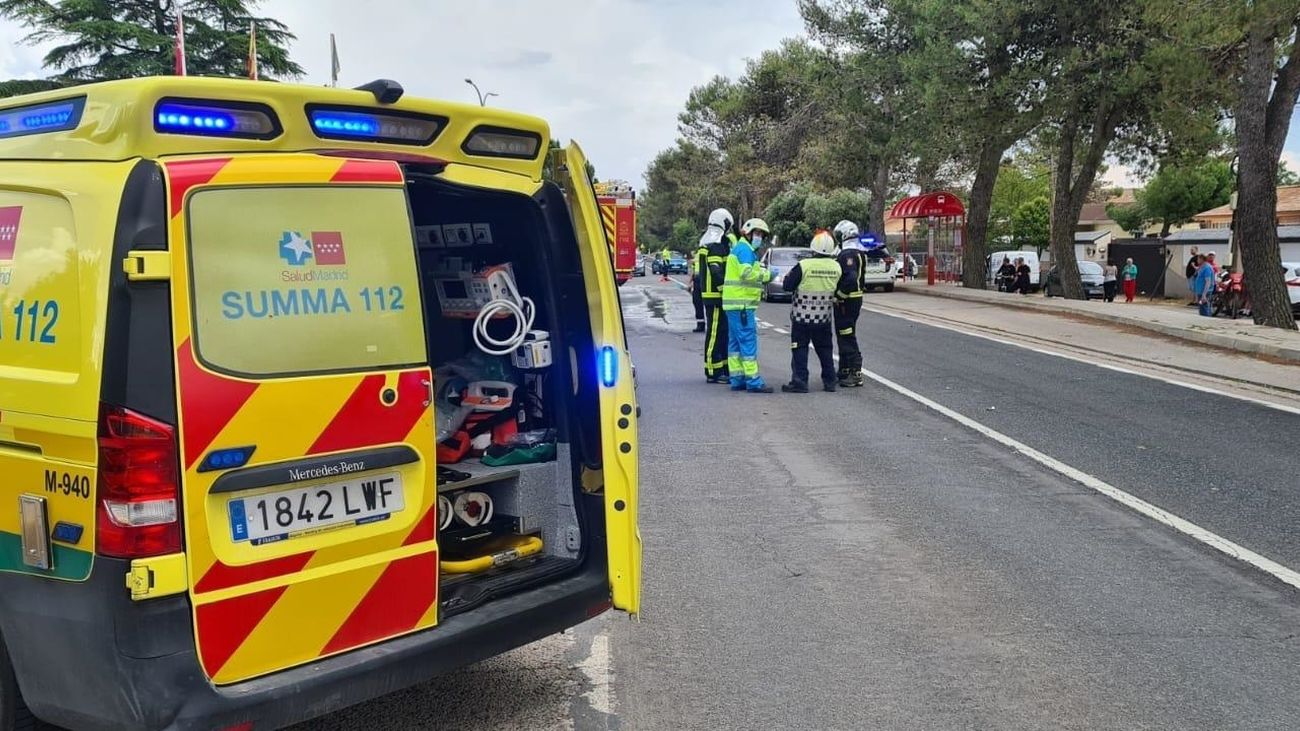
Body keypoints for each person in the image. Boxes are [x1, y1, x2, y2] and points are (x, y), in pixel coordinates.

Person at [781, 230, 843, 393]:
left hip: (802, 318)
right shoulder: (837, 267)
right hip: (823, 318)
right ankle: (830, 382)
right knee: (825, 349)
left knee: (799, 348)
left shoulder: (804, 265)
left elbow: (787, 285)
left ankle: (800, 381)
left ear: (813, 248)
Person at [721, 218, 774, 393]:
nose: (759, 237)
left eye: (761, 235)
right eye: (757, 234)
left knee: (735, 344)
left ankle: (737, 379)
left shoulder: (743, 249)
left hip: (734, 305)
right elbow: (746, 274)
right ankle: (753, 381)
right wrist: (768, 275)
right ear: (748, 233)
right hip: (742, 305)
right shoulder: (745, 250)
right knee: (747, 342)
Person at [696, 209, 734, 383]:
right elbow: (717, 271)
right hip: (715, 297)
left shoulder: (714, 242)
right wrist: (725, 290)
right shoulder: (714, 245)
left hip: (717, 296)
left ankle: (723, 368)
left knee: (722, 333)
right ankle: (712, 371)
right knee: (714, 334)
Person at [832, 220, 867, 387]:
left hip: (847, 300)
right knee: (844, 333)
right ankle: (844, 369)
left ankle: (855, 371)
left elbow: (851, 278)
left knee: (846, 335)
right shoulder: (859, 252)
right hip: (855, 299)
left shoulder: (847, 255)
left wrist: (839, 295)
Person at [688, 254, 705, 332]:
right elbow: (693, 271)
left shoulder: (708, 253)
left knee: (708, 304)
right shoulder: (697, 255)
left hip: (705, 280)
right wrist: (690, 283)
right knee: (697, 302)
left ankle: (711, 325)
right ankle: (700, 324)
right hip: (697, 281)